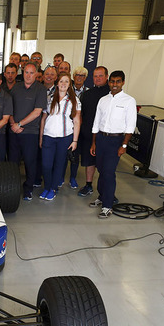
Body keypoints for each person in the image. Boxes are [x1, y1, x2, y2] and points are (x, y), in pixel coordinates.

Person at [90, 70, 136, 219]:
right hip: (101, 139)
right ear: (108, 82)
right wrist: (94, 143)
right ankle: (102, 196)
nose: (114, 84)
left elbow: (130, 125)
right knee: (101, 171)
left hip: (116, 141)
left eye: (118, 81)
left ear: (123, 82)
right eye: (112, 81)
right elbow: (96, 122)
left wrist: (124, 146)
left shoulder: (129, 101)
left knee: (109, 173)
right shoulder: (103, 100)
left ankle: (107, 206)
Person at [39, 72, 81, 201]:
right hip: (48, 136)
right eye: (61, 81)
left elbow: (77, 121)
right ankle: (47, 186)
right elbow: (43, 119)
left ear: (70, 84)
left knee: (59, 164)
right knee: (46, 164)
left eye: (66, 81)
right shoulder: (49, 98)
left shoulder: (74, 101)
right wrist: (41, 137)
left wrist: (75, 140)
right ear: (57, 83)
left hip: (65, 137)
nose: (63, 84)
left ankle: (52, 189)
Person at [9, 62, 47, 201]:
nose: (28, 75)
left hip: (31, 133)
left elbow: (37, 112)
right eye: (26, 72)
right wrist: (13, 124)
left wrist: (19, 124)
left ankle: (28, 189)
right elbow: (9, 108)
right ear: (22, 73)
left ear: (36, 74)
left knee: (30, 162)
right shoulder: (16, 88)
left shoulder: (40, 89)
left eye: (31, 73)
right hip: (14, 131)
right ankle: (13, 188)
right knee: (13, 162)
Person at [76, 66, 109, 197]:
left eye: (100, 76)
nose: (98, 78)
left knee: (105, 165)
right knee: (89, 161)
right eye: (95, 76)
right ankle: (88, 185)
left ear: (107, 77)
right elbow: (81, 115)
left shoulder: (111, 95)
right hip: (88, 135)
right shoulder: (87, 94)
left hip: (105, 136)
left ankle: (106, 190)